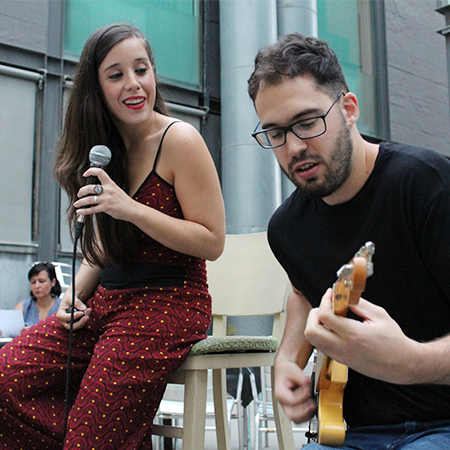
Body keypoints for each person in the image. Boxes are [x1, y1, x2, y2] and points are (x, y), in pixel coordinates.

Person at [0, 23, 225, 449]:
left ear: (154, 74)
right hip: (107, 303)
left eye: (141, 69)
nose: (134, 84)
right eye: (116, 74)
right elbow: (104, 248)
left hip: (168, 300)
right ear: (96, 87)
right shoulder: (103, 148)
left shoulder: (180, 139)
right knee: (6, 380)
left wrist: (131, 208)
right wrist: (72, 296)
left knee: (91, 437)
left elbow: (212, 241)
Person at [247, 32, 450, 449]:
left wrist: (408, 362)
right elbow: (304, 290)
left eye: (307, 122)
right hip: (348, 434)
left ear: (349, 109)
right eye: (275, 133)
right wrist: (287, 361)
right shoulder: (286, 228)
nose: (294, 147)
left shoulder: (427, 186)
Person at [14, 261, 62, 332]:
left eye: (41, 281)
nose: (37, 286)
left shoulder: (62, 306)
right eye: (33, 282)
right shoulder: (23, 307)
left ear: (53, 282)